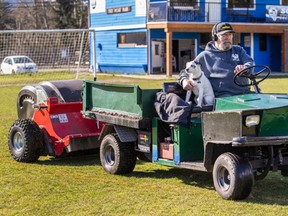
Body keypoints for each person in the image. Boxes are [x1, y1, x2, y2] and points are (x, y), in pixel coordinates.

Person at [177, 22, 254, 98]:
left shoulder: (238, 50)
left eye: (230, 34)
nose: (228, 37)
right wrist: (184, 80)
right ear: (215, 37)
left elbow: (250, 63)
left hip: (245, 92)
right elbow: (186, 71)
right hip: (223, 96)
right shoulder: (205, 56)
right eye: (224, 35)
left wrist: (245, 68)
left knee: (263, 103)